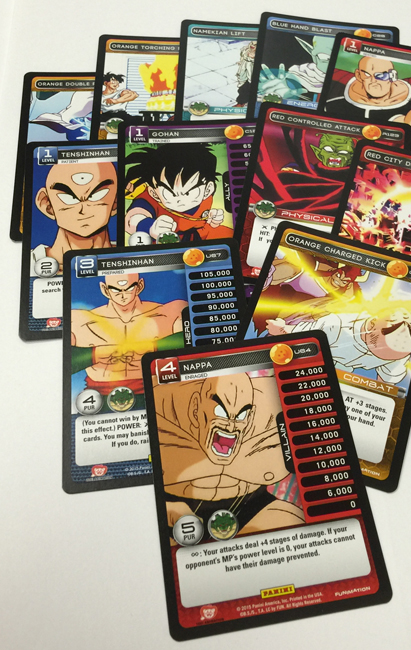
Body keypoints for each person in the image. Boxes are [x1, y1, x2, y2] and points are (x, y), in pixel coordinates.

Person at [153, 372, 305, 536]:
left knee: (288, 518)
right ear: (196, 408)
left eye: (241, 415)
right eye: (221, 412)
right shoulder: (164, 407)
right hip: (176, 507)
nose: (230, 426)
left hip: (249, 504)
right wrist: (161, 507)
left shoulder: (270, 408)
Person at [71, 273, 187, 409]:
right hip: (99, 399)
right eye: (115, 290)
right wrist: (97, 353)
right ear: (104, 289)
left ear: (140, 286)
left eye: (129, 288)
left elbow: (194, 345)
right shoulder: (79, 320)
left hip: (160, 392)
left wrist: (152, 348)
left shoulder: (170, 313)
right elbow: (61, 360)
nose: (123, 295)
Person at [267, 306, 411, 385]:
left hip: (342, 371)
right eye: (378, 350)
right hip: (320, 355)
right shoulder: (336, 326)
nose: (380, 357)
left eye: (386, 357)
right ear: (372, 325)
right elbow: (303, 334)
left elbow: (386, 382)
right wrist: (282, 329)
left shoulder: (399, 352)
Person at [124, 142, 232, 242]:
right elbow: (131, 221)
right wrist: (150, 227)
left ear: (208, 189)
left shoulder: (204, 195)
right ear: (154, 193)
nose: (179, 199)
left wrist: (210, 217)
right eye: (170, 193)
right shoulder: (147, 200)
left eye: (187, 193)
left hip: (198, 238)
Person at [32, 160, 117, 273]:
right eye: (68, 198)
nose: (83, 209)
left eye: (97, 195)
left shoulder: (132, 256)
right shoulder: (29, 265)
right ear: (47, 204)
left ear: (116, 201)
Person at [325, 56, 411, 148]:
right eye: (367, 75)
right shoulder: (334, 104)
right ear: (358, 75)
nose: (373, 81)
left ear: (392, 76)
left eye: (381, 75)